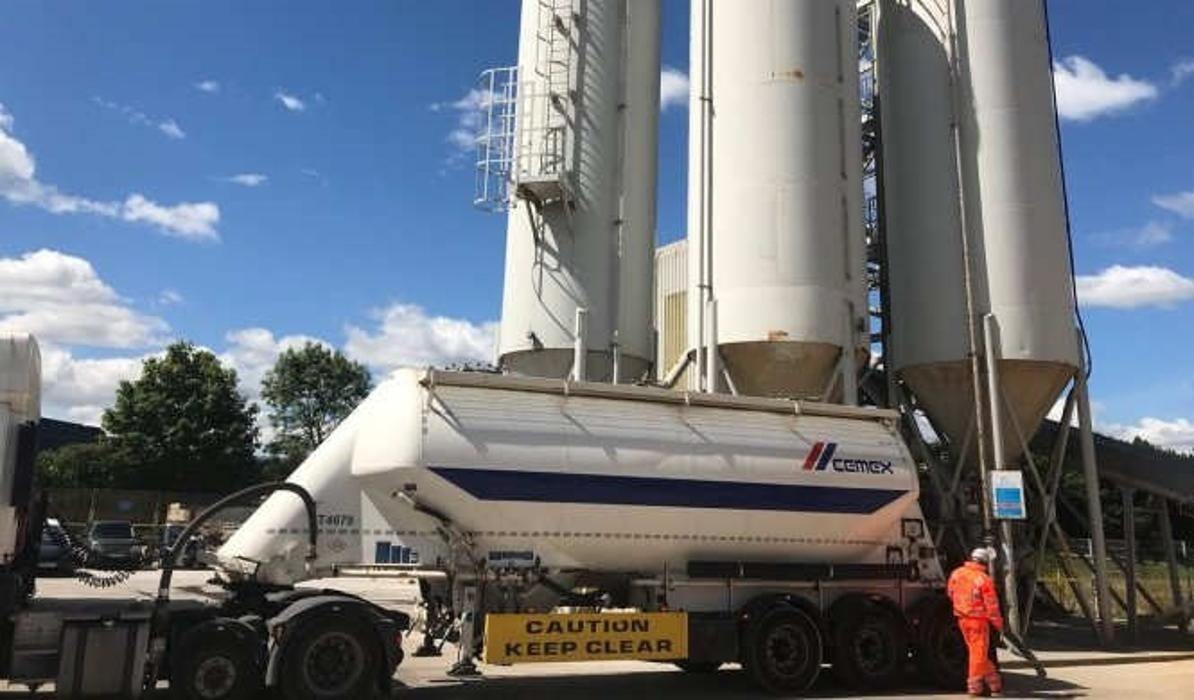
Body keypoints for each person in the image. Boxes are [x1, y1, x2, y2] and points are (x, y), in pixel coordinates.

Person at [947, 547, 1005, 696]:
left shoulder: (957, 573)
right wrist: (998, 625)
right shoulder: (983, 579)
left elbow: (950, 593)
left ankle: (994, 683)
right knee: (978, 655)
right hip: (978, 621)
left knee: (976, 652)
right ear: (985, 562)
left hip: (962, 619)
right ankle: (975, 687)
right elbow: (992, 605)